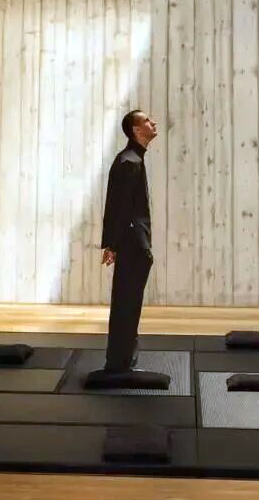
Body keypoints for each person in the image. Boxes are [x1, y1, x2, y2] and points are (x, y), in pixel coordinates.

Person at [101, 110, 157, 372]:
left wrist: (111, 243)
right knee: (127, 303)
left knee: (128, 302)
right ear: (136, 130)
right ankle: (119, 362)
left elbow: (118, 206)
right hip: (134, 244)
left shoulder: (132, 159)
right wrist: (115, 244)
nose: (152, 123)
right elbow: (119, 208)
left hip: (132, 243)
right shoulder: (129, 162)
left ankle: (121, 360)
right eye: (146, 121)